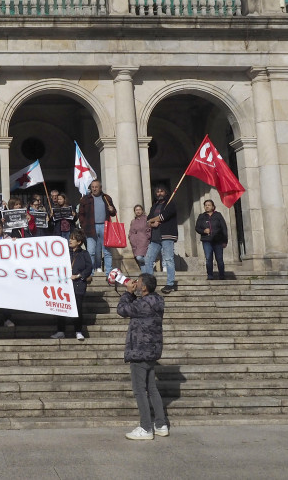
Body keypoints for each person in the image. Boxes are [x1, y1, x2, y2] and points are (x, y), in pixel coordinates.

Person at [117, 272, 169, 440]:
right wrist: (133, 295)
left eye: (138, 282)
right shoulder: (157, 301)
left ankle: (146, 427)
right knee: (152, 388)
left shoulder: (143, 304)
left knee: (140, 390)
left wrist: (128, 292)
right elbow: (136, 309)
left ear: (144, 287)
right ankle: (160, 425)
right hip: (151, 351)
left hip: (139, 350)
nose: (136, 284)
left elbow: (122, 310)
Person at [51, 229, 92, 340]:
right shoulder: (64, 252)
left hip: (78, 285)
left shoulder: (84, 253)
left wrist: (78, 276)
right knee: (60, 307)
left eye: (73, 239)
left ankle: (78, 331)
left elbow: (89, 268)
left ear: (79, 242)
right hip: (63, 285)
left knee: (77, 308)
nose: (70, 240)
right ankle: (60, 331)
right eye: (70, 238)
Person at [144, 185, 178, 294]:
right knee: (148, 260)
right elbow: (148, 219)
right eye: (157, 191)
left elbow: (163, 216)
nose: (159, 193)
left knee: (168, 259)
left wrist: (152, 221)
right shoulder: (154, 206)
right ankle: (149, 284)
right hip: (155, 237)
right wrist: (152, 223)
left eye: (161, 191)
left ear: (165, 192)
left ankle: (170, 283)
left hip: (167, 235)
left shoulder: (170, 203)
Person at [77, 180, 117, 272]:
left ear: (100, 188)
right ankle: (90, 273)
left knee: (107, 251)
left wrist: (112, 210)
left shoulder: (107, 198)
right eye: (92, 187)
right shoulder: (85, 199)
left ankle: (108, 272)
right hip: (90, 227)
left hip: (105, 227)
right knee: (91, 251)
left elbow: (113, 213)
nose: (94, 189)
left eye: (96, 187)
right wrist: (84, 226)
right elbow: (81, 214)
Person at [195, 199, 228, 280]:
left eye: (209, 205)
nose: (207, 206)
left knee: (219, 258)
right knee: (208, 258)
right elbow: (197, 228)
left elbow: (224, 228)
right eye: (205, 205)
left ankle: (222, 275)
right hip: (206, 240)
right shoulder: (201, 216)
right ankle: (210, 275)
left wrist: (225, 241)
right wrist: (203, 231)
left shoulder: (218, 215)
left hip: (218, 240)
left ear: (213, 207)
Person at [128, 204, 150, 269]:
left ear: (142, 211)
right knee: (140, 261)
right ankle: (144, 277)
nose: (138, 211)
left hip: (145, 242)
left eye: (139, 209)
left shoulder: (147, 219)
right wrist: (131, 238)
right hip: (135, 244)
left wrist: (147, 237)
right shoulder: (133, 221)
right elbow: (131, 232)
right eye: (136, 210)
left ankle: (149, 265)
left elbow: (149, 229)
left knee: (140, 258)